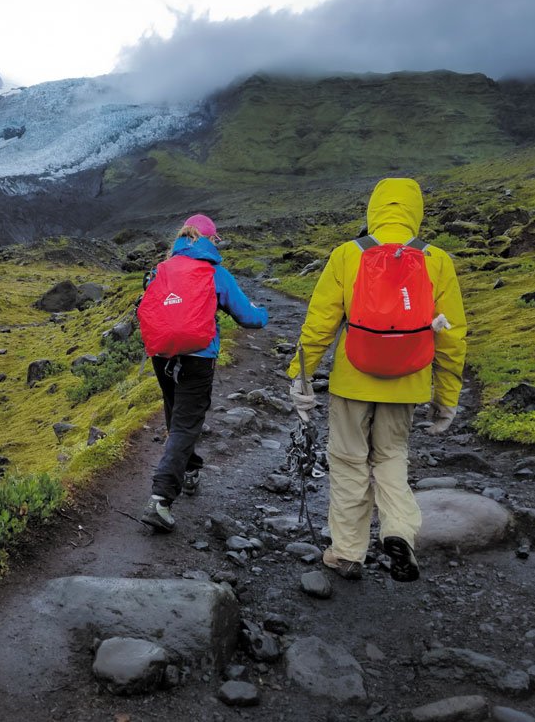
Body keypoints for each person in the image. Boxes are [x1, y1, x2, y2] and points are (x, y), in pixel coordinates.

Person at [287, 178, 467, 581]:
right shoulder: (436, 259)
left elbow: (319, 324)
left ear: (373, 210)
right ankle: (399, 531)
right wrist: (446, 397)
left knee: (349, 460)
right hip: (409, 379)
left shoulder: (348, 255)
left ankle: (348, 552)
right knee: (391, 458)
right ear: (415, 212)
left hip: (353, 377)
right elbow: (452, 335)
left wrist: (300, 378)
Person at [140, 214, 269, 532]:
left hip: (162, 355)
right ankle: (161, 499)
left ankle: (191, 468)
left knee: (176, 416)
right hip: (198, 358)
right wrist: (263, 311)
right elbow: (249, 318)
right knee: (185, 424)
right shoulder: (215, 272)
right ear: (210, 240)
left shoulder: (161, 270)